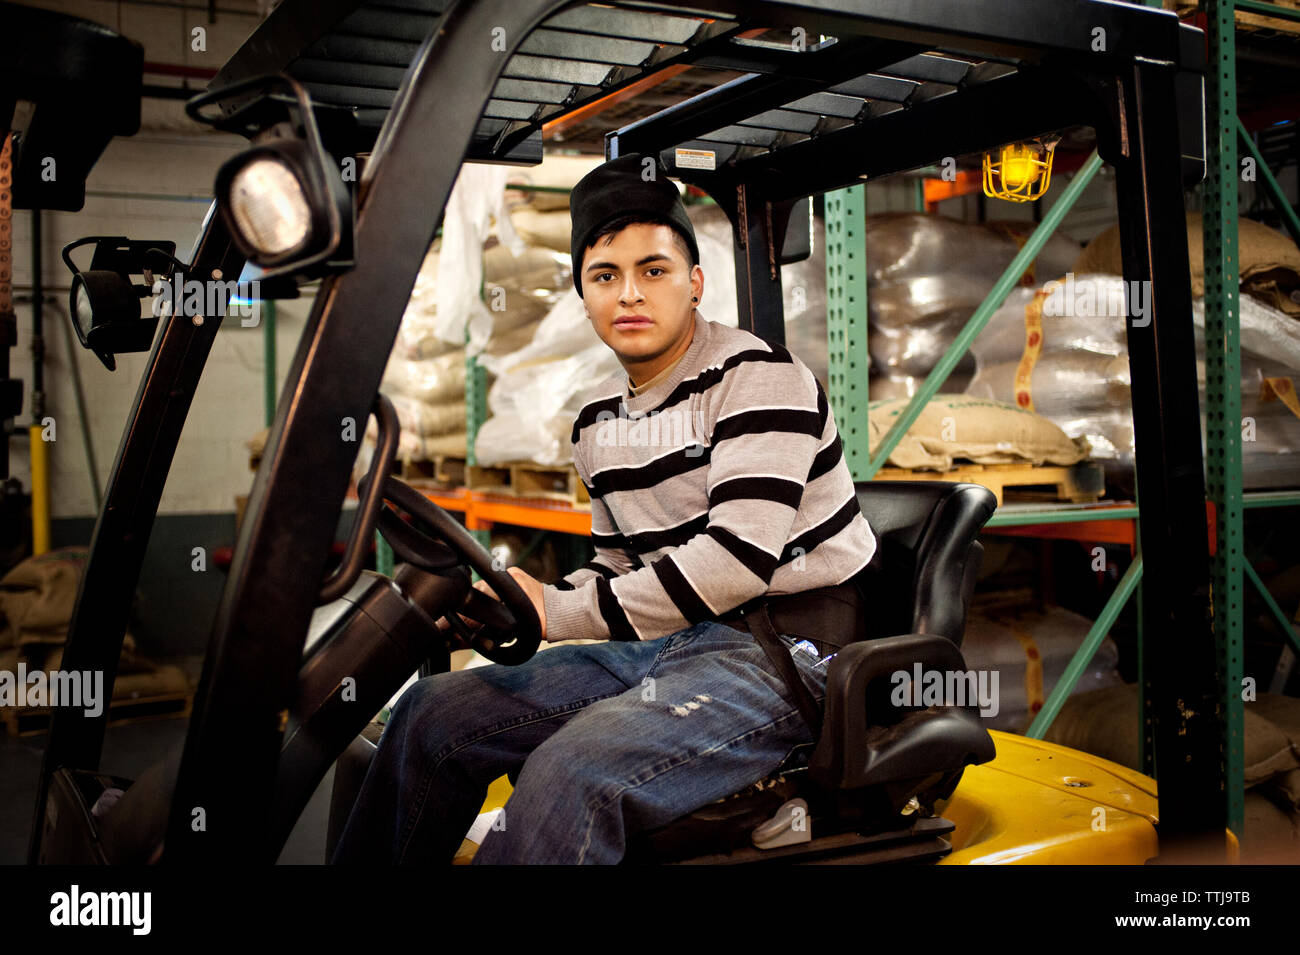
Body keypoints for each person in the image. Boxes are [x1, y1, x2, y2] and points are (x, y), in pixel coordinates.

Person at [331, 153, 877, 864]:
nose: (630, 294)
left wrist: (558, 614)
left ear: (695, 282)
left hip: (783, 655)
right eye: (605, 275)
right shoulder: (597, 426)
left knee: (570, 770)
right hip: (664, 646)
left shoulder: (759, 379)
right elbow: (619, 566)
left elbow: (736, 562)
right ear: (582, 294)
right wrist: (522, 601)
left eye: (654, 270)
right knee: (432, 712)